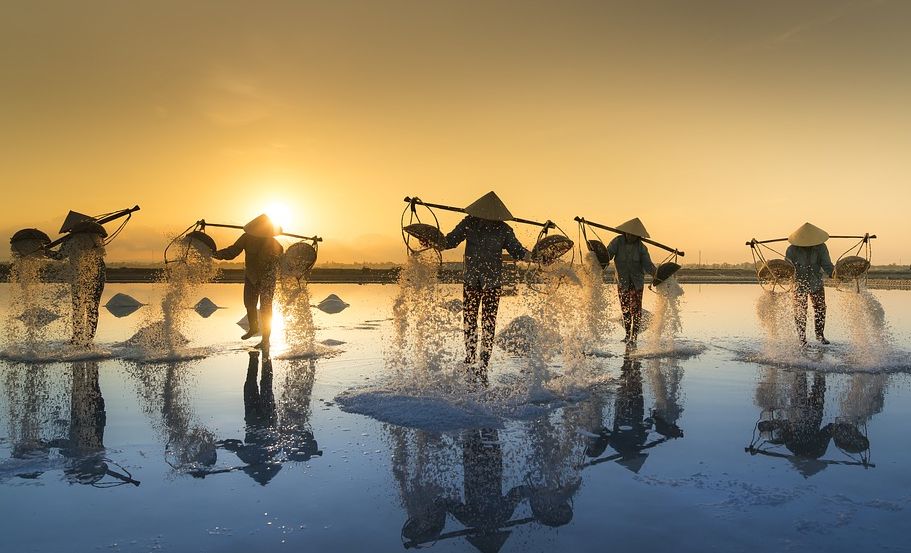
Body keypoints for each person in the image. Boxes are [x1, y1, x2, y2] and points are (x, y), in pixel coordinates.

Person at [443, 192, 531, 380]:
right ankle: (470, 357)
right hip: (471, 282)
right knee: (469, 321)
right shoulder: (468, 223)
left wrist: (535, 256)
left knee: (489, 324)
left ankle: (483, 362)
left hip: (492, 284)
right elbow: (449, 241)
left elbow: (517, 251)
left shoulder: (504, 230)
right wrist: (433, 240)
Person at [214, 214, 284, 350]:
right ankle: (253, 327)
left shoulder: (274, 244)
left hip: (267, 278)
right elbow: (232, 252)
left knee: (266, 309)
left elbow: (281, 261)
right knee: (249, 303)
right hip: (251, 276)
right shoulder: (246, 238)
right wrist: (216, 254)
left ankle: (265, 340)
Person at [603, 218, 656, 345]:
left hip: (637, 283)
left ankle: (634, 337)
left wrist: (658, 275)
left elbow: (648, 265)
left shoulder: (641, 248)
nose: (631, 236)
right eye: (629, 234)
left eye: (634, 235)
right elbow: (607, 255)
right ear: (626, 232)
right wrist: (598, 256)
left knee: (636, 311)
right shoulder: (617, 242)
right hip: (623, 282)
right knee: (625, 309)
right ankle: (627, 335)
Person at [55, 221, 108, 347]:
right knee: (91, 309)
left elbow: (58, 256)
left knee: (82, 308)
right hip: (89, 279)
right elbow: (59, 256)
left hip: (89, 278)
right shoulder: (96, 238)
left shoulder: (72, 240)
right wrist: (43, 251)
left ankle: (81, 338)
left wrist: (43, 251)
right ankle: (85, 339)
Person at [785, 222, 834, 346]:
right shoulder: (792, 249)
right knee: (800, 310)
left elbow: (827, 265)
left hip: (816, 281)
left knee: (820, 308)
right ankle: (802, 339)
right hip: (798, 283)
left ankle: (820, 335)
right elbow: (788, 268)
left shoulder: (821, 247)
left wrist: (834, 274)